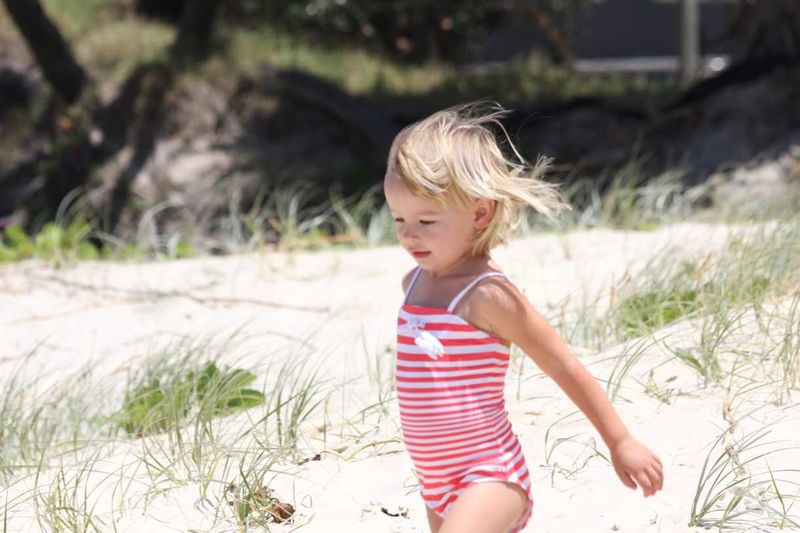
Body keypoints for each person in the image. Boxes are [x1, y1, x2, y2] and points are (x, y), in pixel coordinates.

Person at [383, 102, 664, 533]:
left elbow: (561, 364)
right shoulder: (413, 283)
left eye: (426, 219)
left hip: (490, 473)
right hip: (434, 478)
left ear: (480, 213)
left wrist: (620, 440)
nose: (408, 233)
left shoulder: (488, 294)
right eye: (399, 217)